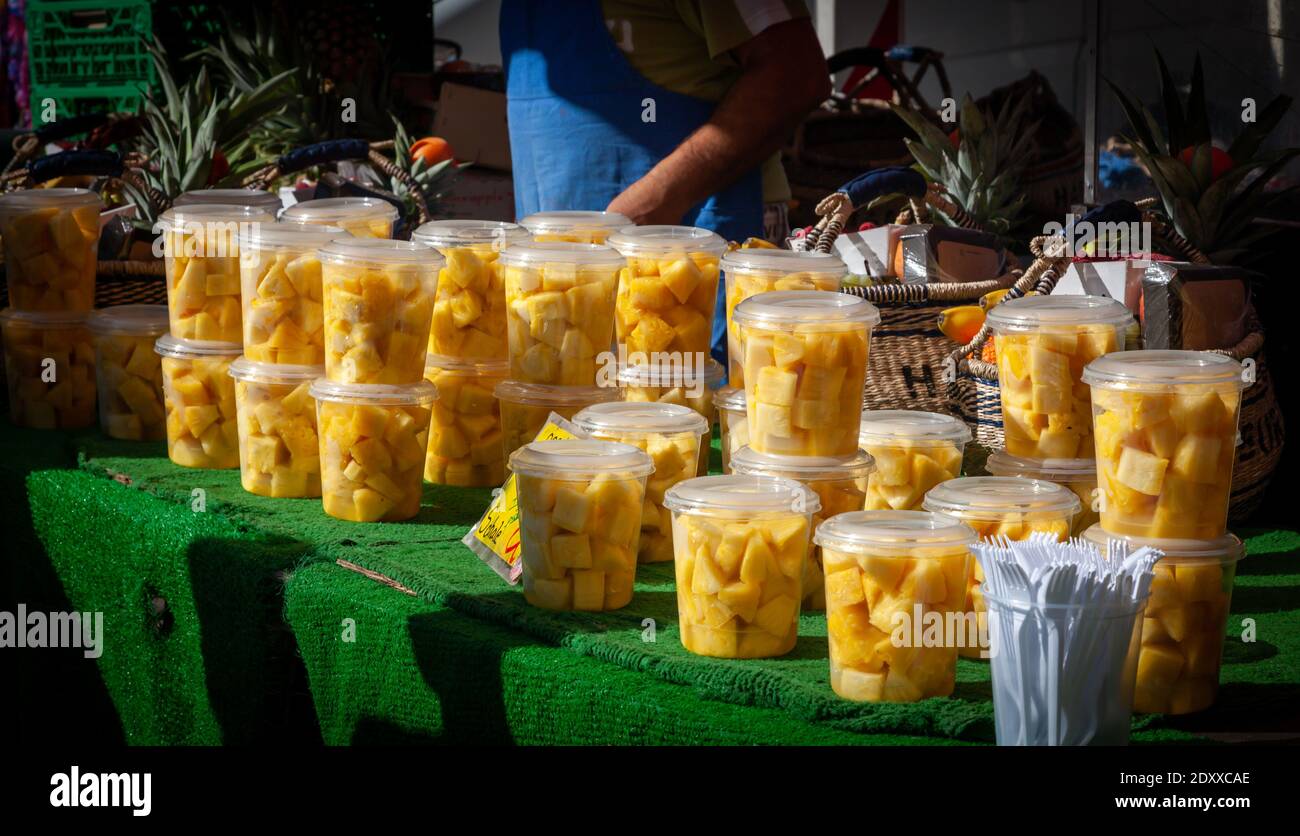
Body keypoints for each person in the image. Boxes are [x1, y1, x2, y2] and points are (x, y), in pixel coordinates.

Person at [501, 0, 830, 364]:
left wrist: (655, 202)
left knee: (699, 406)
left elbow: (795, 73)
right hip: (563, 282)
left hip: (701, 244)